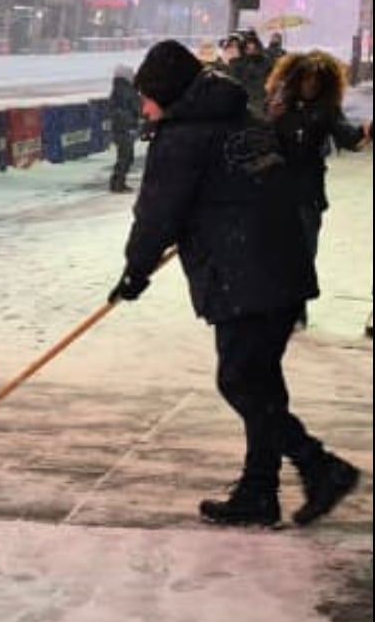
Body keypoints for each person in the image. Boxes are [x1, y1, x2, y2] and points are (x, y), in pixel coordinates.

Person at [109, 39, 360, 528]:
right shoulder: (243, 118)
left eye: (147, 97)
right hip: (282, 263)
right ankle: (258, 491)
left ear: (167, 92)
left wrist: (136, 271)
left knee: (240, 380)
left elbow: (156, 215)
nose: (144, 108)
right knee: (262, 383)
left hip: (243, 275)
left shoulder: (183, 137)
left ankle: (319, 467)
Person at [264, 50, 370, 323]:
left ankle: (296, 307)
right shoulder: (278, 105)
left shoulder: (327, 110)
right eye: (306, 79)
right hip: (275, 191)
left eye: (317, 80)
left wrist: (365, 132)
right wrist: (269, 120)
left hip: (308, 192)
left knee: (304, 252)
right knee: (274, 250)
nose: (311, 85)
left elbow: (348, 138)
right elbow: (257, 139)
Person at [107, 62, 140, 192]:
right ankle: (117, 184)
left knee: (125, 157)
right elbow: (132, 107)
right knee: (125, 157)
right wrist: (131, 121)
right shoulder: (125, 90)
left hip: (122, 128)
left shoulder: (121, 89)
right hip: (124, 128)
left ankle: (118, 182)